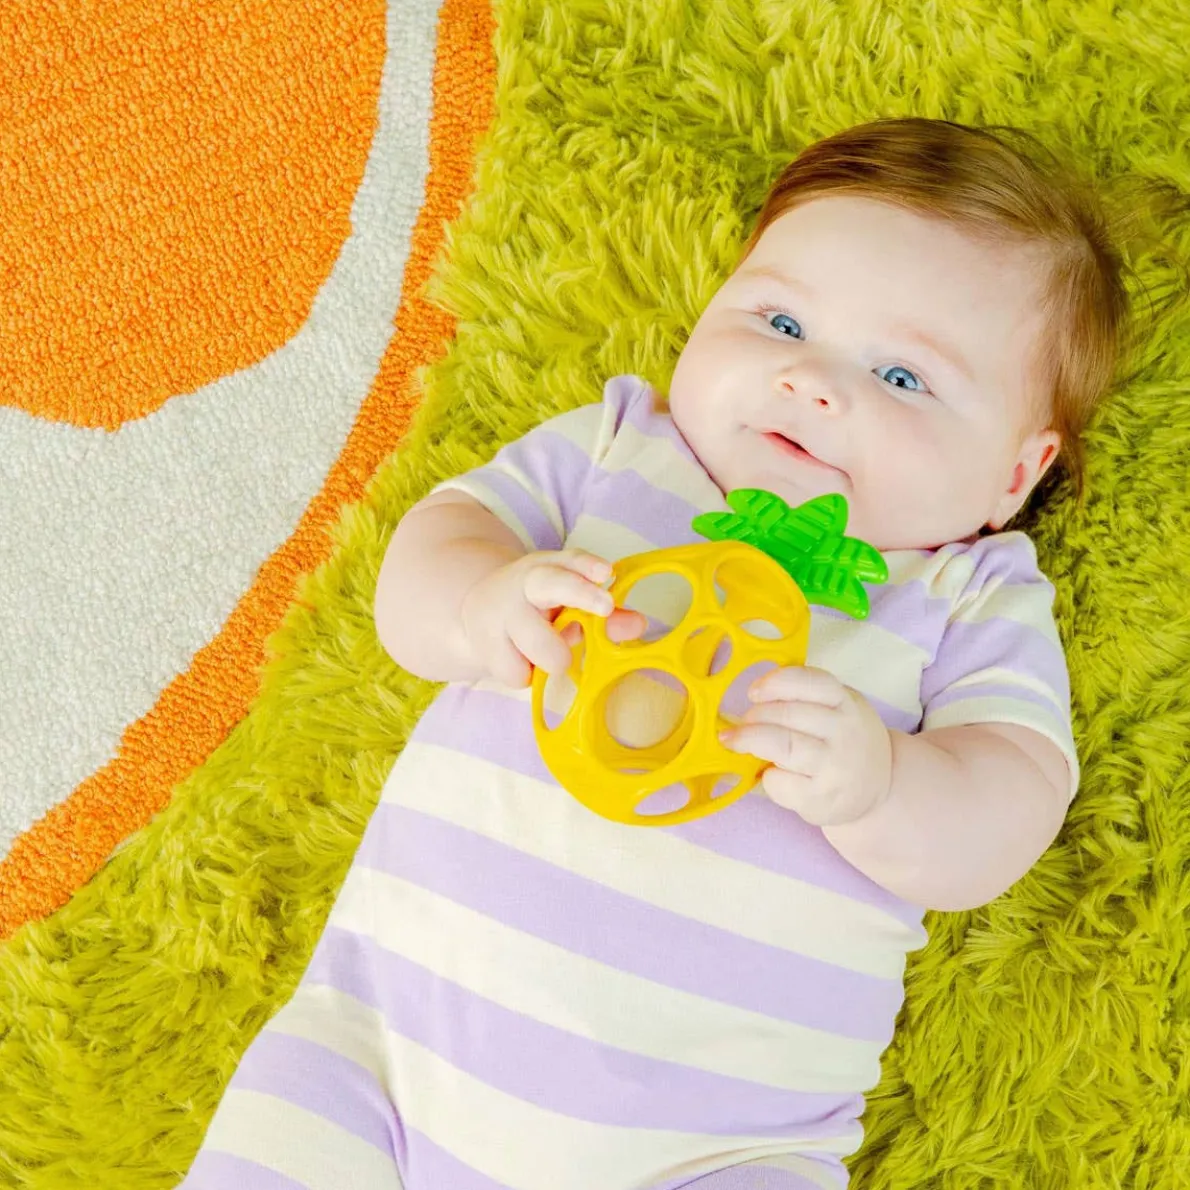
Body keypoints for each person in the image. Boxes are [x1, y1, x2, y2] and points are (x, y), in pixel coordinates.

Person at [181, 118, 1128, 1189]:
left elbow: (1009, 801)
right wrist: (482, 601)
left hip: (709, 1151)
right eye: (777, 320)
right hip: (380, 1055)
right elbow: (422, 562)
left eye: (903, 379)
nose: (813, 383)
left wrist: (884, 783)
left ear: (1014, 472)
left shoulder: (961, 593)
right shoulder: (619, 449)